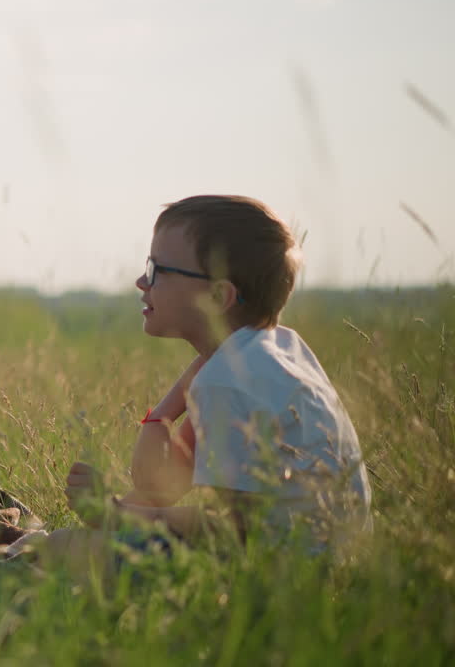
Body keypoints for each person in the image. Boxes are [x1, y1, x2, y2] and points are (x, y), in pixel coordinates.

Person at [30, 195, 372, 572]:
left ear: (217, 296)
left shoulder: (226, 384)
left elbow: (235, 531)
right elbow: (163, 486)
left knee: (65, 550)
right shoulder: (277, 351)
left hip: (280, 579)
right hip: (326, 566)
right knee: (73, 545)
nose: (142, 281)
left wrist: (114, 515)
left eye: (157, 269)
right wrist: (162, 414)